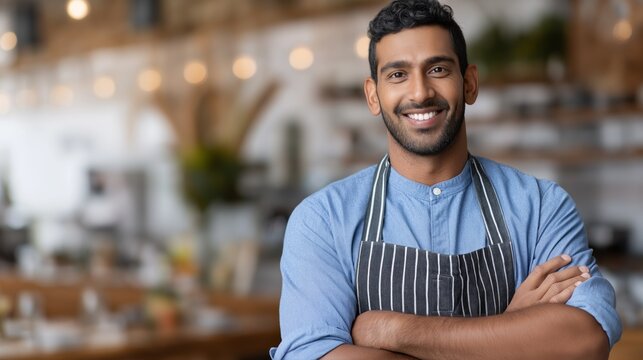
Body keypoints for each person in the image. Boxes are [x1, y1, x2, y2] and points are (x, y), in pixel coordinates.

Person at [270, 1, 622, 359]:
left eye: (437, 69)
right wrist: (509, 330)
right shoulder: (323, 220)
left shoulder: (542, 205)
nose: (420, 92)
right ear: (373, 96)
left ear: (469, 84)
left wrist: (389, 330)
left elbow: (585, 339)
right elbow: (313, 354)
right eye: (397, 74)